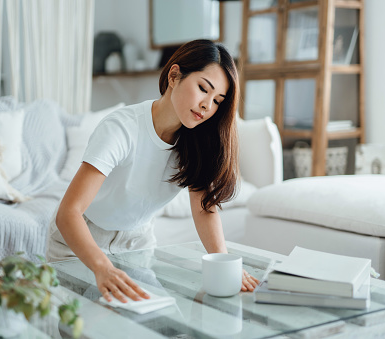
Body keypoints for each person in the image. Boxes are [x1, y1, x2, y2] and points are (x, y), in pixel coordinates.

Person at [46, 39, 259, 303]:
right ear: (174, 75)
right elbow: (69, 213)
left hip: (136, 242)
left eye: (217, 100)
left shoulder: (196, 140)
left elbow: (204, 207)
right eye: (203, 88)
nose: (207, 105)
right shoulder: (121, 128)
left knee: (157, 322)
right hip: (80, 242)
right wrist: (102, 267)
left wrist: (224, 264)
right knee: (88, 324)